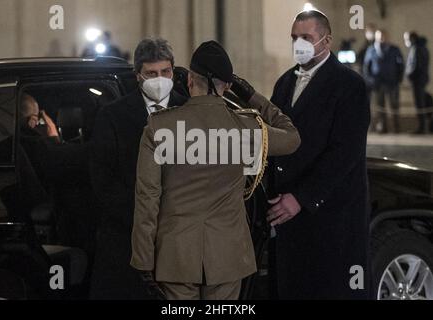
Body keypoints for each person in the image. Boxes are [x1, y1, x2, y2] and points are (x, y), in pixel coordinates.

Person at [130, 40, 301, 300]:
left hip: (176, 255)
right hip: (227, 256)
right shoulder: (247, 128)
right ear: (229, 86)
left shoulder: (158, 127)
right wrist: (251, 95)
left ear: (189, 81)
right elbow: (292, 137)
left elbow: (147, 198)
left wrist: (143, 260)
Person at [269, 10, 370, 299]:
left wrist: (302, 197)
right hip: (288, 216)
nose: (298, 44)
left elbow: (344, 153)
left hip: (330, 216)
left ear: (326, 41)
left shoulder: (349, 86)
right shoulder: (285, 83)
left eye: (306, 38)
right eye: (294, 38)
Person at [89, 37, 188, 299]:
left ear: (173, 71)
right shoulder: (113, 115)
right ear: (138, 76)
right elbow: (102, 180)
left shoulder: (190, 111)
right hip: (126, 237)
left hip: (180, 239)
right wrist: (146, 217)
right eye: (151, 73)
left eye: (165, 72)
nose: (159, 79)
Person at [363, 29, 404, 133]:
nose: (381, 38)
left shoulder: (395, 49)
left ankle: (396, 127)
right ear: (376, 37)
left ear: (387, 37)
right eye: (379, 36)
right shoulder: (371, 50)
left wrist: (399, 79)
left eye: (383, 36)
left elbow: (400, 65)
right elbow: (366, 67)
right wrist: (371, 80)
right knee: (380, 106)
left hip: (392, 82)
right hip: (378, 83)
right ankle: (382, 127)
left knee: (394, 105)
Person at [404, 31, 431, 134]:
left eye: (407, 39)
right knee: (421, 104)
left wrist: (410, 76)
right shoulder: (419, 48)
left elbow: (416, 66)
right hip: (420, 80)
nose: (406, 41)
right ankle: (423, 127)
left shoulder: (417, 49)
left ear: (412, 39)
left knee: (420, 105)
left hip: (418, 80)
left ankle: (423, 128)